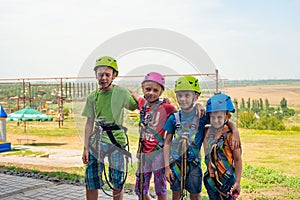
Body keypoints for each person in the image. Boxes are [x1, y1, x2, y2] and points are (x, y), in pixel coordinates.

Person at [164, 76, 240, 200]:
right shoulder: (174, 118)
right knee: (176, 195)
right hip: (176, 164)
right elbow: (167, 143)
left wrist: (234, 130)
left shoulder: (201, 117)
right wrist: (167, 168)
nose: (183, 99)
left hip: (194, 165)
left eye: (187, 95)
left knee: (195, 196)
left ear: (196, 96)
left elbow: (222, 120)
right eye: (179, 95)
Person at [132, 72, 205, 200]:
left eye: (155, 90)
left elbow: (181, 116)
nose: (151, 93)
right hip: (144, 154)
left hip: (159, 154)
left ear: (160, 92)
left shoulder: (167, 107)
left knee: (161, 188)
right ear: (143, 88)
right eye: (148, 89)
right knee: (140, 187)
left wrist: (198, 105)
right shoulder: (142, 104)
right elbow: (136, 96)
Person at [81, 56, 138, 200]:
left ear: (114, 75)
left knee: (117, 180)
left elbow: (137, 106)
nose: (104, 78)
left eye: (107, 74)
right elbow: (89, 123)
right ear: (96, 75)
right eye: (100, 74)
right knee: (91, 179)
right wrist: (86, 147)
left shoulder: (121, 93)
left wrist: (133, 94)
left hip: (116, 141)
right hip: (97, 141)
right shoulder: (92, 97)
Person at [203, 93, 242, 200]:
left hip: (228, 180)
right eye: (213, 117)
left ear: (227, 117)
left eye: (219, 117)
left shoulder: (231, 136)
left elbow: (238, 159)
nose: (216, 120)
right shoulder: (206, 132)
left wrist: (238, 182)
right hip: (211, 179)